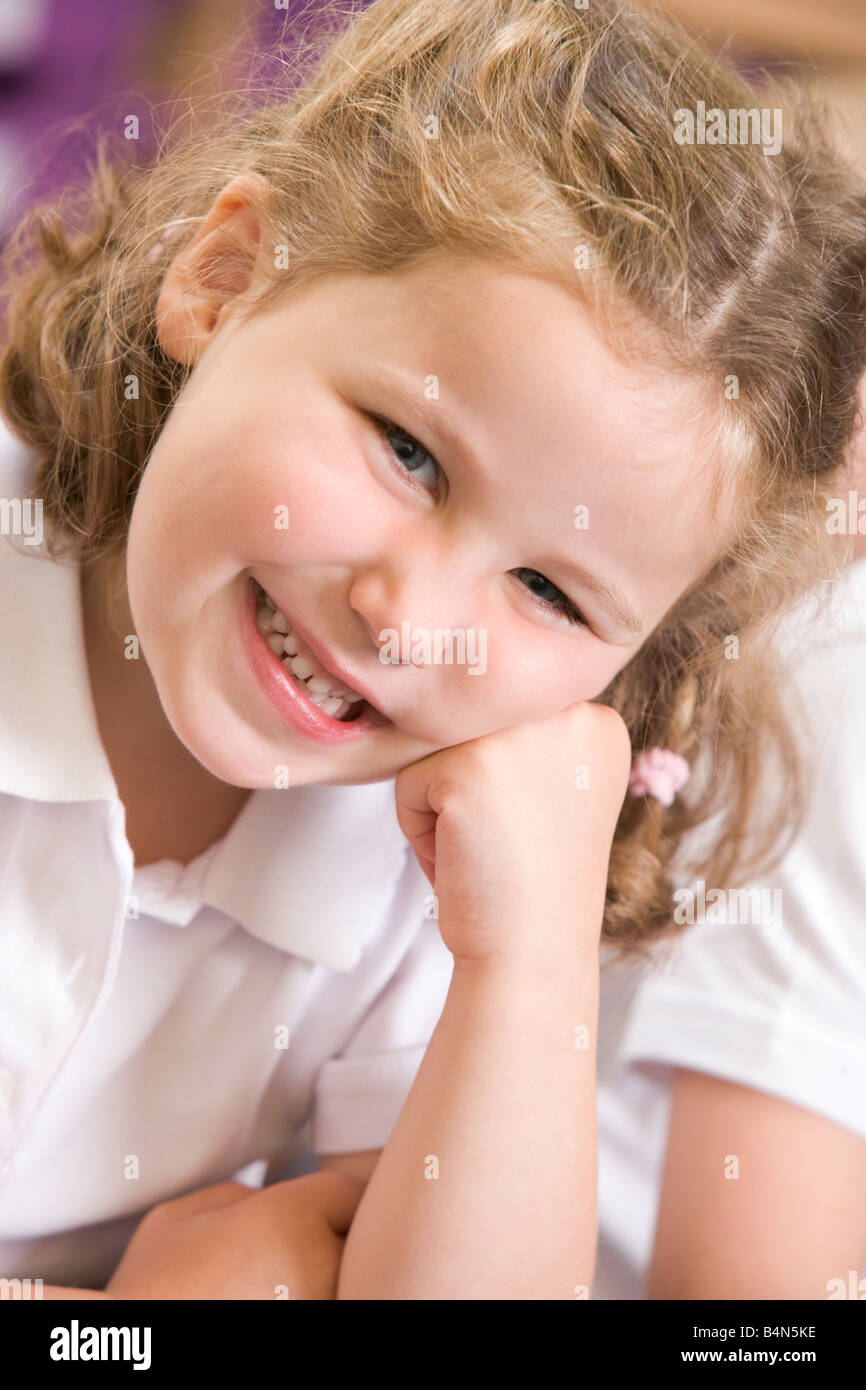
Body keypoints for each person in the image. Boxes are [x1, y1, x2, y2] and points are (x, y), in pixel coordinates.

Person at [0, 0, 864, 1298]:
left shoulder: (430, 864)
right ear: (224, 277)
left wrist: (528, 962)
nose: (407, 619)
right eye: (407, 453)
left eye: (547, 591)